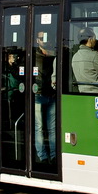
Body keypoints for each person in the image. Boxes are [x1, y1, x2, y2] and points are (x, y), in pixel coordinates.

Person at [32, 35, 57, 163]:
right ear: (37, 40)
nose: (45, 40)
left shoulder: (55, 55)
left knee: (52, 128)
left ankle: (53, 156)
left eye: (47, 37)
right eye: (41, 37)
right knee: (40, 127)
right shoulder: (33, 56)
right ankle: (42, 157)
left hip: (51, 96)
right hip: (38, 96)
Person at [71, 29, 98, 94]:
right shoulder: (94, 56)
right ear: (90, 39)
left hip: (82, 92)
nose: (95, 41)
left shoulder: (75, 56)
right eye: (94, 38)